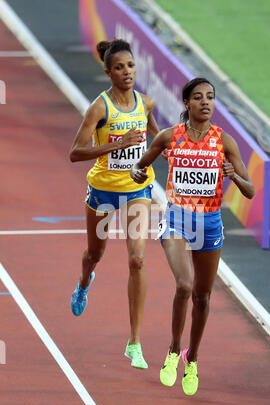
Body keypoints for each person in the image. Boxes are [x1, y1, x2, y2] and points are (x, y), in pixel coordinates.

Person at [130, 77, 255, 394]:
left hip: (210, 223)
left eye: (210, 97)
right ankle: (173, 351)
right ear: (186, 103)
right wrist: (138, 172)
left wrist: (235, 176)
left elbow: (250, 191)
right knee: (184, 284)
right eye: (198, 97)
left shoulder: (225, 141)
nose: (205, 102)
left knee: (202, 296)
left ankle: (192, 359)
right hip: (176, 219)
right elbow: (140, 166)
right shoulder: (169, 136)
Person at [69, 39, 162, 370]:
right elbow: (75, 152)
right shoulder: (99, 108)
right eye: (120, 67)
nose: (127, 72)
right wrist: (116, 145)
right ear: (108, 72)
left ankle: (134, 342)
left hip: (137, 190)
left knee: (137, 260)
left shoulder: (146, 103)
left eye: (132, 66)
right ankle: (84, 283)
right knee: (95, 254)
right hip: (103, 192)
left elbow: (158, 140)